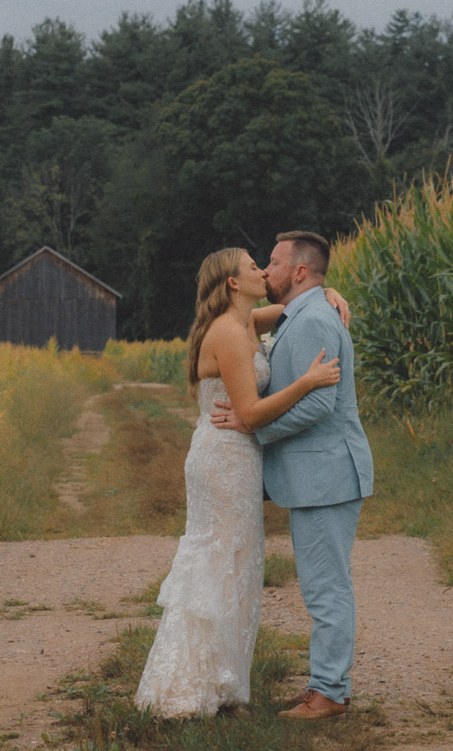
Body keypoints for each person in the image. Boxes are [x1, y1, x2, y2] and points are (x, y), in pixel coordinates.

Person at [134, 247, 346, 718]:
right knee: (219, 568)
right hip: (223, 459)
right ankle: (190, 686)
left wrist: (328, 291)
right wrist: (307, 382)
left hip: (240, 459)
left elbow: (295, 307)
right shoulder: (229, 333)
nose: (263, 272)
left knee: (238, 570)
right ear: (233, 282)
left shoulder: (247, 320)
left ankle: (223, 684)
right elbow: (249, 414)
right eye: (254, 267)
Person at [210, 230, 373, 721]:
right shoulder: (303, 313)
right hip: (319, 475)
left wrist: (254, 426)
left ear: (299, 272)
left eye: (275, 262)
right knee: (324, 585)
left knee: (326, 588)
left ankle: (329, 693)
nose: (266, 271)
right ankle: (325, 685)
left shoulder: (313, 319)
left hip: (327, 475)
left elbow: (320, 404)